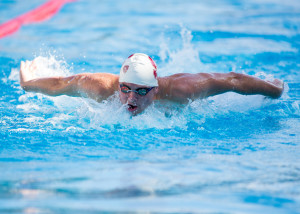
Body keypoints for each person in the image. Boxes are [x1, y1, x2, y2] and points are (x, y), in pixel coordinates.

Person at [20, 53, 284, 115]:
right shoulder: (101, 87)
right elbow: (59, 84)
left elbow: (232, 80)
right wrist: (28, 83)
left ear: (155, 89)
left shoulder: (182, 90)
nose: (131, 98)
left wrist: (273, 89)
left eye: (141, 91)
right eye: (126, 89)